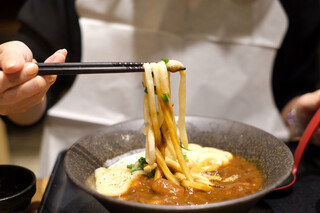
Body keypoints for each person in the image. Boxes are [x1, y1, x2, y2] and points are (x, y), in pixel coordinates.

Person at [0, 0, 319, 177]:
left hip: (248, 188)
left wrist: (299, 118)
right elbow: (32, 94)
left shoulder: (296, 8)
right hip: (85, 185)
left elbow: (290, 104)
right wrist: (19, 94)